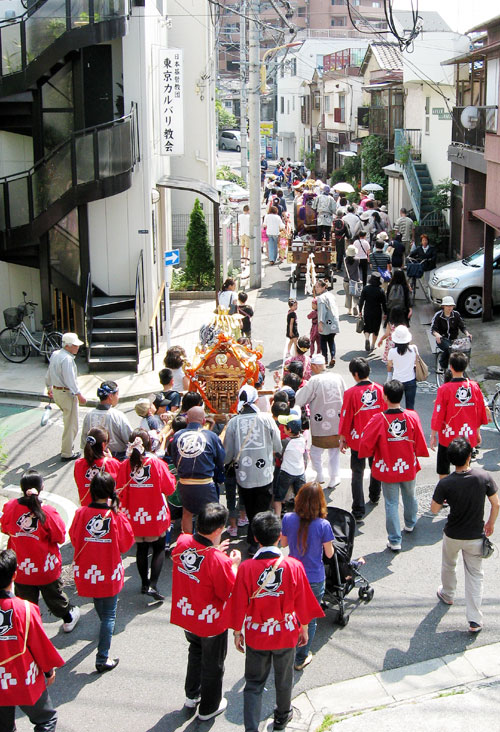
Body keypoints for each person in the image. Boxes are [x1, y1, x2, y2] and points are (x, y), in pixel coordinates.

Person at [229, 511, 324, 732]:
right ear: (280, 536)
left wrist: (236, 632)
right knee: (284, 678)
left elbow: (238, 604)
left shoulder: (246, 568)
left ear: (255, 538)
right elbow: (303, 602)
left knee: (253, 683)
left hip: (257, 633)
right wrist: (304, 627)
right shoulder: (293, 566)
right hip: (285, 631)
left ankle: (251, 728)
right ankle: (282, 716)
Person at [170, 503, 241, 720]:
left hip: (187, 614)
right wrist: (234, 564)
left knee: (195, 652)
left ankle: (192, 696)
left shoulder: (182, 543)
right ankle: (209, 708)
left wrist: (213, 552)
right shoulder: (219, 561)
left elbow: (194, 557)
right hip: (209, 621)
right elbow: (229, 591)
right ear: (218, 530)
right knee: (214, 665)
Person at [431, 437, 499, 633]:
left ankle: (448, 593)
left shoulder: (446, 483)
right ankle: (475, 619)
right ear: (470, 456)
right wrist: (490, 523)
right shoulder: (483, 477)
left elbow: (434, 509)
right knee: (475, 575)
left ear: (451, 460)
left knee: (448, 565)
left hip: (452, 534)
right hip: (475, 536)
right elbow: (496, 503)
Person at [0, 470, 80, 633]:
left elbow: (5, 527)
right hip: (46, 567)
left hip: (21, 567)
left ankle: (32, 631)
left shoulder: (10, 508)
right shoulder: (48, 511)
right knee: (55, 598)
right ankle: (68, 619)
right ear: (41, 487)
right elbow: (59, 535)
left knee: (27, 604)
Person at [69, 472, 134, 672]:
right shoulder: (115, 516)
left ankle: (104, 631)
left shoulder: (81, 513)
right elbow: (125, 544)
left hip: (88, 570)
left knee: (99, 604)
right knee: (110, 615)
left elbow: (73, 537)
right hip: (109, 569)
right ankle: (102, 657)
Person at [359, 380, 429, 551]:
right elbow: (419, 440)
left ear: (385, 397)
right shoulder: (412, 416)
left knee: (391, 502)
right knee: (410, 495)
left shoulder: (378, 419)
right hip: (407, 464)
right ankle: (410, 523)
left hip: (387, 465)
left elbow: (365, 443)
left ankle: (395, 540)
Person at [0, 549, 64, 731]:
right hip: (21, 675)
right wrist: (48, 670)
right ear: (14, 575)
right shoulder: (24, 609)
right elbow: (39, 644)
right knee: (46, 719)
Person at [281, 482, 334, 670]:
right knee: (309, 619)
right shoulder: (323, 525)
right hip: (314, 577)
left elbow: (284, 543)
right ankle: (301, 657)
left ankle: (286, 651)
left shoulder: (288, 518)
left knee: (290, 613)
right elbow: (329, 554)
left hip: (291, 575)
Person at [117, 428, 176, 600]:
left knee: (141, 549)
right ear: (149, 443)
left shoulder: (124, 465)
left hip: (134, 515)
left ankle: (144, 583)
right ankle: (153, 584)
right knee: (158, 549)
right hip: (155, 513)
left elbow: (120, 490)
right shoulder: (156, 463)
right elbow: (169, 488)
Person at [223, 386, 282, 555]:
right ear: (256, 400)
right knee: (263, 508)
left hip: (243, 473)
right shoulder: (266, 419)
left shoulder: (234, 422)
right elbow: (277, 443)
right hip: (264, 472)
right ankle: (257, 541)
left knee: (249, 507)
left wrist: (226, 462)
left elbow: (228, 453)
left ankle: (253, 539)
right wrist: (277, 451)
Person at [339, 358, 385, 522]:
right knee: (375, 467)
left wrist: (343, 436)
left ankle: (358, 510)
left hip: (358, 439)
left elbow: (345, 417)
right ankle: (375, 495)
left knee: (357, 473)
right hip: (377, 438)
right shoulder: (380, 390)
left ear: (355, 374)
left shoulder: (350, 393)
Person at [430, 351, 488, 479]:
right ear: (465, 366)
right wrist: (478, 433)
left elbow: (438, 413)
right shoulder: (474, 387)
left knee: (443, 466)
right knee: (465, 465)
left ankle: (444, 493)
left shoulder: (444, 389)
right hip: (467, 435)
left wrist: (433, 435)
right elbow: (479, 412)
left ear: (450, 367)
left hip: (448, 435)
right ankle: (464, 490)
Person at [171, 406, 226, 534]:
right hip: (205, 482)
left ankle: (188, 543)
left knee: (187, 512)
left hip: (184, 482)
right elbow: (220, 459)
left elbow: (175, 457)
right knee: (212, 514)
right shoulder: (211, 436)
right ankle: (211, 545)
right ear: (203, 421)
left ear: (187, 420)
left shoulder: (178, 435)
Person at [295, 354, 346, 489]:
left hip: (320, 422)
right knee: (334, 451)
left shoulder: (314, 380)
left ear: (315, 366)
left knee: (316, 452)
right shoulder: (338, 377)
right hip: (337, 420)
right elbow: (345, 395)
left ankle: (320, 474)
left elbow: (300, 399)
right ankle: (334, 476)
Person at [45, 332, 86, 461]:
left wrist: (48, 387)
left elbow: (49, 372)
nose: (77, 347)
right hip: (66, 393)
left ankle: (67, 447)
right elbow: (70, 380)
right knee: (71, 424)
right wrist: (79, 394)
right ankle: (67, 452)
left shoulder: (55, 354)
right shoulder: (67, 359)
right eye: (75, 345)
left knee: (68, 420)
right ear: (68, 346)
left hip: (57, 392)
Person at [80, 381, 132, 460]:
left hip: (95, 457)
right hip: (117, 457)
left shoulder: (89, 415)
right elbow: (130, 439)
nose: (118, 397)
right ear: (111, 396)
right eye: (117, 394)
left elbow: (85, 441)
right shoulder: (117, 415)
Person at [74, 427, 121, 506]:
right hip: (107, 512)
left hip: (86, 510)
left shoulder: (78, 464)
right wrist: (110, 458)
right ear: (103, 445)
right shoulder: (112, 464)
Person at [273, 414, 306, 516]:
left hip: (286, 473)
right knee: (300, 498)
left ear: (289, 430)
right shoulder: (303, 439)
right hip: (300, 472)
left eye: (285, 426)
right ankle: (301, 517)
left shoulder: (285, 442)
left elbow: (277, 454)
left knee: (278, 497)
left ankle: (277, 517)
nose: (283, 428)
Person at [430, 296, 471, 373]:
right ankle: (442, 365)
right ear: (443, 306)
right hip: (442, 339)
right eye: (447, 306)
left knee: (461, 351)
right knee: (449, 348)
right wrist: (437, 335)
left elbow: (462, 326)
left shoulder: (456, 315)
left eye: (451, 306)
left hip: (454, 339)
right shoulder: (438, 316)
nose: (449, 308)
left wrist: (467, 333)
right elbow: (433, 329)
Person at [387, 325, 420, 411]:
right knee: (410, 407)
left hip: (397, 381)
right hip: (410, 380)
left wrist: (389, 376)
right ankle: (410, 423)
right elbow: (416, 361)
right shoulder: (414, 349)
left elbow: (390, 365)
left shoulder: (392, 351)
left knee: (394, 406)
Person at [378, 306, 408, 381]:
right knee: (398, 360)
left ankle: (389, 376)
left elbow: (387, 334)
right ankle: (397, 375)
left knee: (390, 361)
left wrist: (381, 339)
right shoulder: (403, 324)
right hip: (400, 344)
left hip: (391, 344)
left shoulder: (390, 323)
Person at [358, 273, 387, 352]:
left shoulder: (366, 288)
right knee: (375, 328)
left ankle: (367, 338)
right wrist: (385, 313)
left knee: (367, 326)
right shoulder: (381, 290)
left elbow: (361, 301)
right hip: (377, 311)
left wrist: (360, 310)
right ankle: (373, 345)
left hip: (367, 310)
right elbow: (384, 303)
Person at [315, 279, 340, 367]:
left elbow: (322, 311)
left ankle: (325, 359)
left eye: (318, 287)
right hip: (333, 321)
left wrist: (320, 323)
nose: (316, 289)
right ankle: (333, 356)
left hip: (325, 322)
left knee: (323, 341)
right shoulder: (331, 295)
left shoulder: (321, 298)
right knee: (331, 340)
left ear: (323, 287)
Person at [343, 244, 361, 316]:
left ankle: (349, 310)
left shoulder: (345, 260)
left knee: (348, 295)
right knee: (356, 295)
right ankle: (355, 306)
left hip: (347, 280)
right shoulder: (357, 260)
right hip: (356, 280)